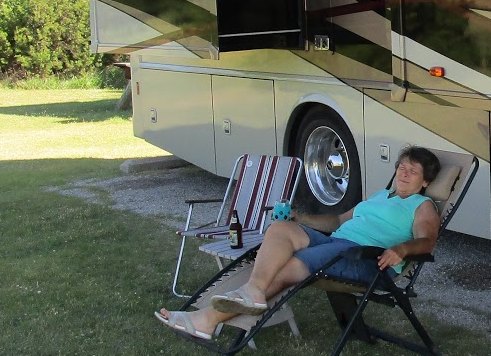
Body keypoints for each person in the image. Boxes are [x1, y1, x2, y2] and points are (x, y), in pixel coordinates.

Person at [157, 146, 442, 341]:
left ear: (425, 181)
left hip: (366, 259)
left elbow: (427, 242)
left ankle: (207, 318)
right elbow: (337, 222)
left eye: (412, 171)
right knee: (281, 228)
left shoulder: (422, 205)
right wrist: (300, 217)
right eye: (401, 167)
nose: (403, 173)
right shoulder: (381, 196)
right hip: (338, 243)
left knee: (286, 268)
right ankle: (253, 290)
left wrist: (402, 249)